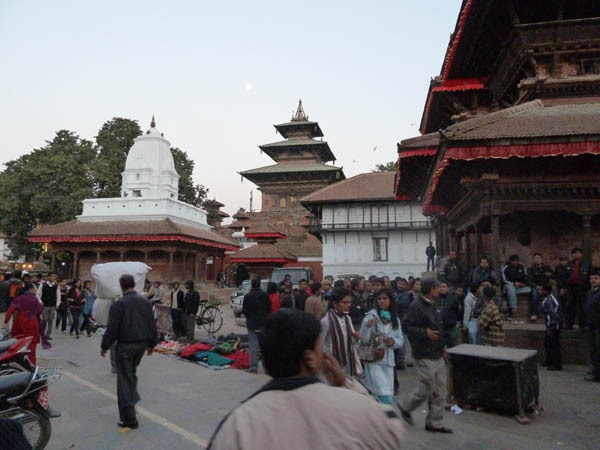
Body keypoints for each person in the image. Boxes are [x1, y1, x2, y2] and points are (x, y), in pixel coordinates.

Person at [207, 309, 404, 449]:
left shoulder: (239, 423)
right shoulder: (357, 408)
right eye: (321, 348)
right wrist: (346, 384)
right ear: (310, 358)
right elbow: (391, 428)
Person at [100, 274, 159, 429]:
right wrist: (153, 343)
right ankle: (132, 397)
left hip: (126, 345)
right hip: (141, 344)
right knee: (130, 374)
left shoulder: (119, 304)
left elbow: (112, 328)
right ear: (134, 284)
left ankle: (129, 418)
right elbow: (152, 323)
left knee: (124, 380)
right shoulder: (145, 302)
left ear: (121, 286)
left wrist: (104, 345)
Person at [398, 277, 451, 434]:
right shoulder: (416, 306)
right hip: (424, 353)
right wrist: (424, 332)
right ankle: (406, 405)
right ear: (431, 290)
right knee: (427, 387)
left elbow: (439, 328)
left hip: (437, 352)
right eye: (437, 287)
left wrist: (444, 347)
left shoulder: (435, 304)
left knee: (440, 389)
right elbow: (406, 326)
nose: (439, 289)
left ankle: (435, 422)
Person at [360, 289, 403, 404]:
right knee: (383, 395)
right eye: (379, 299)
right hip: (374, 361)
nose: (381, 301)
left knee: (386, 393)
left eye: (385, 298)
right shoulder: (370, 317)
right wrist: (367, 327)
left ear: (390, 300)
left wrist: (392, 341)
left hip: (389, 362)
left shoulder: (395, 319)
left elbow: (400, 341)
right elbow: (363, 339)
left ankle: (377, 418)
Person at [320, 288, 361, 377]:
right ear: (335, 304)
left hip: (348, 361)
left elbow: (350, 342)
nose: (348, 305)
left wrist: (356, 338)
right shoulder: (326, 321)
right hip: (332, 363)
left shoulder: (347, 318)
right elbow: (320, 345)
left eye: (349, 302)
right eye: (344, 302)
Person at [3, 282, 42, 364]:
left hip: (19, 325)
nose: (35, 290)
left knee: (17, 345)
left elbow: (9, 312)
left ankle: (18, 363)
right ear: (30, 289)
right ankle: (31, 364)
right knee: (31, 347)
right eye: (34, 288)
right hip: (32, 324)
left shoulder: (18, 299)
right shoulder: (34, 299)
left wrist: (5, 322)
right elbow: (39, 311)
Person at [243, 277, 271, 373]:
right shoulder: (265, 296)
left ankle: (254, 367)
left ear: (251, 285)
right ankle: (267, 367)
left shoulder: (247, 296)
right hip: (263, 323)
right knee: (264, 346)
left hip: (251, 324)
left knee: (253, 346)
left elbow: (244, 311)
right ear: (260, 285)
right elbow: (269, 309)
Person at [565, 247, 591, 330]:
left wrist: (591, 287)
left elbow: (591, 276)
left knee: (583, 307)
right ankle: (569, 324)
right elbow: (564, 276)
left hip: (582, 289)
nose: (576, 254)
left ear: (581, 255)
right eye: (574, 253)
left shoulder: (587, 264)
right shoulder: (568, 264)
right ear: (572, 255)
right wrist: (563, 287)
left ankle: (583, 325)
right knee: (570, 307)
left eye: (578, 253)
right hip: (570, 288)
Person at [539, 282, 563, 371]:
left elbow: (552, 314)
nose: (539, 291)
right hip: (553, 324)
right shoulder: (551, 298)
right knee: (548, 343)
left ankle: (556, 364)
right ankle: (549, 361)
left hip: (553, 325)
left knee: (554, 344)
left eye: (541, 289)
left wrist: (551, 327)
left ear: (545, 291)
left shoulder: (548, 301)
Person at [502, 254, 531, 319]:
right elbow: (505, 280)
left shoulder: (522, 267)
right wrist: (514, 284)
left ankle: (511, 295)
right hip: (509, 285)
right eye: (513, 261)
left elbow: (525, 277)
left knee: (530, 289)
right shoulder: (505, 268)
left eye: (516, 261)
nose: (515, 263)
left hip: (520, 287)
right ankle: (513, 309)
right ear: (510, 261)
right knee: (511, 288)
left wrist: (522, 284)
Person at [528, 253, 554, 322]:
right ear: (533, 260)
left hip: (546, 287)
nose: (537, 260)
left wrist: (544, 287)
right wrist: (537, 287)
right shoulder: (530, 269)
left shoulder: (547, 268)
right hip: (536, 287)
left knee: (553, 296)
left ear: (541, 259)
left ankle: (553, 313)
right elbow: (529, 280)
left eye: (539, 258)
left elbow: (552, 276)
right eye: (536, 258)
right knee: (534, 296)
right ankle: (534, 314)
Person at [584, 270, 600, 382]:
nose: (593, 280)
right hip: (591, 324)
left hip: (598, 325)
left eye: (596, 278)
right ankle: (595, 371)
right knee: (593, 350)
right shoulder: (590, 292)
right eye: (591, 278)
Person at [36, 271, 60, 341]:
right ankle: (42, 333)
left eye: (54, 276)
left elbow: (58, 295)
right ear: (48, 277)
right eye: (52, 276)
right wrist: (40, 302)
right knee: (44, 320)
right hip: (45, 305)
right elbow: (38, 294)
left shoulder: (56, 286)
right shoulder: (42, 285)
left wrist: (57, 304)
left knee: (51, 320)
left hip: (53, 305)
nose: (53, 277)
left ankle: (48, 335)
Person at [436, 282, 461, 348]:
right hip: (439, 328)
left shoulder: (453, 298)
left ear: (447, 288)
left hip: (451, 327)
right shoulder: (435, 298)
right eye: (440, 287)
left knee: (454, 347)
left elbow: (457, 311)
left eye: (444, 287)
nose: (442, 288)